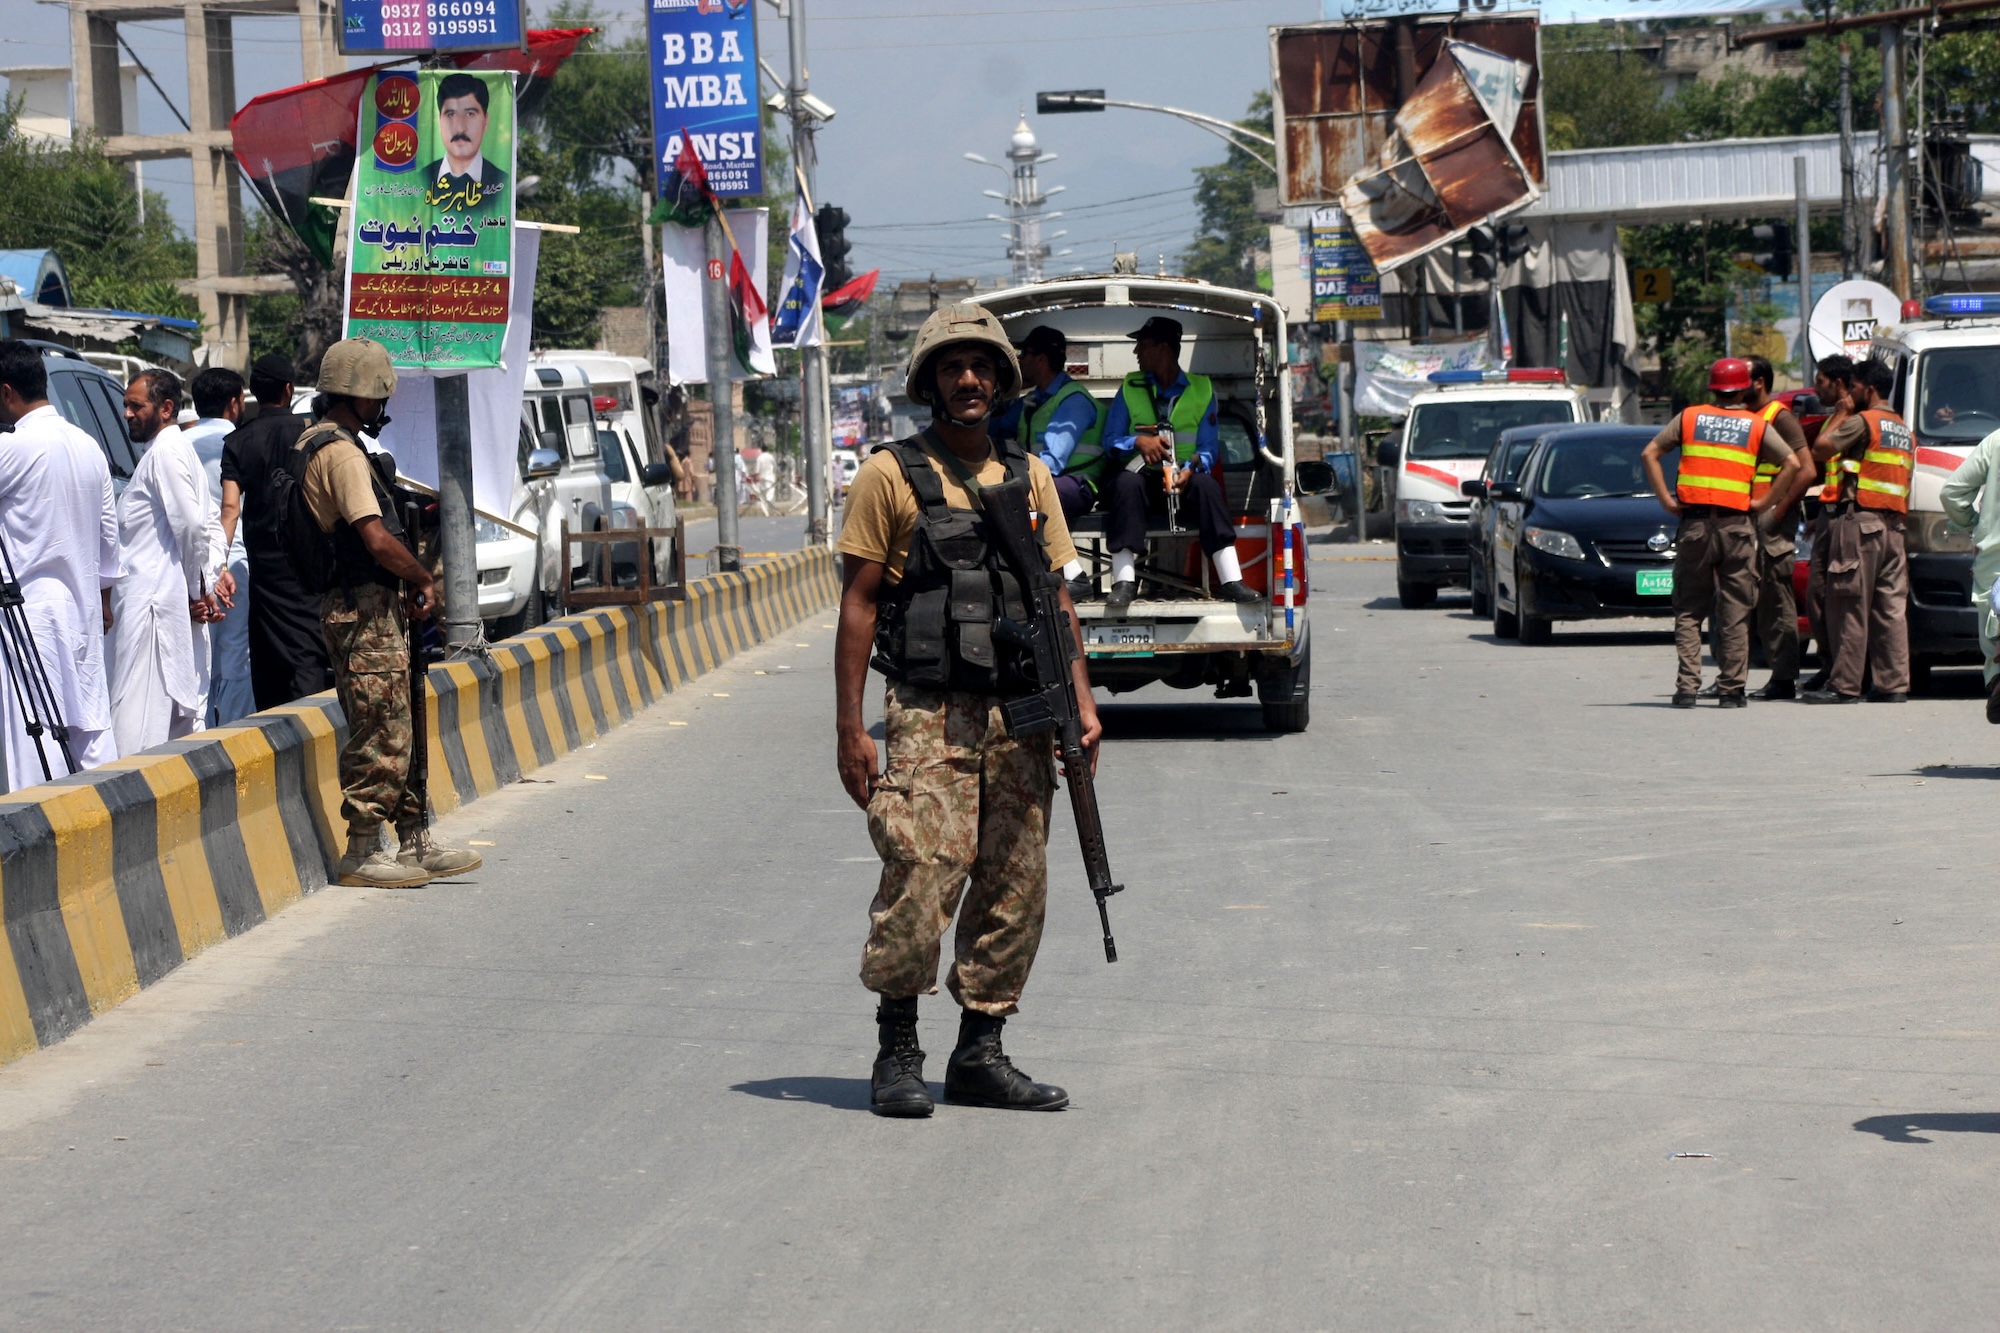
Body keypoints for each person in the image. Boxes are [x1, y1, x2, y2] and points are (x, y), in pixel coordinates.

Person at [835, 302, 1101, 1118]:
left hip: (1019, 709)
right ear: (929, 381)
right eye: (952, 367)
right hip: (927, 709)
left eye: (982, 365)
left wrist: (1081, 706)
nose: (969, 378)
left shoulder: (1030, 478)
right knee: (921, 867)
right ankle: (898, 1046)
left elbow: (1056, 597)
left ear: (1002, 380)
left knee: (1016, 880)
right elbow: (857, 605)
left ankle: (981, 1049)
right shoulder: (890, 474)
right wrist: (850, 727)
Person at [302, 338, 482, 888]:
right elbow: (375, 537)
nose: (383, 410)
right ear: (359, 398)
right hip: (362, 611)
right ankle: (360, 849)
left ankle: (413, 841)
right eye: (379, 400)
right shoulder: (340, 453)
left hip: (374, 607)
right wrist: (422, 575)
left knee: (404, 721)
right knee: (382, 727)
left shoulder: (326, 443)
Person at [1639, 356, 1807, 708]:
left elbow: (1650, 453)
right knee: (1736, 610)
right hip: (1737, 527)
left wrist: (1666, 500)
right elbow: (1792, 463)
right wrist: (1765, 503)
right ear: (1744, 388)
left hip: (1695, 525)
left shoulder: (1690, 417)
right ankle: (1732, 690)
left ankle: (1687, 688)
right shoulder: (1754, 425)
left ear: (1712, 388)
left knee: (1689, 610)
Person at [0, 341, 119, 790]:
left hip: (29, 613)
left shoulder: (14, 447)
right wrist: (104, 603)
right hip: (84, 607)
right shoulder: (88, 446)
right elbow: (110, 541)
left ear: (8, 391)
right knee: (88, 728)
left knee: (36, 733)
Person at [1098, 315, 1261, 615]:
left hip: (1180, 482)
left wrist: (1189, 469)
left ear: (1164, 349)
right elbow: (1109, 441)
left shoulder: (1202, 389)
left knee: (1208, 486)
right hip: (1141, 484)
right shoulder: (1130, 387)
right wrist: (1137, 442)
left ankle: (1231, 579)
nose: (1136, 353)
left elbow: (1208, 449)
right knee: (1125, 482)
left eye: (1142, 345)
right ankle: (1123, 582)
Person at [109, 369, 230, 754]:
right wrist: (206, 584)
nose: (127, 413)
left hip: (154, 610)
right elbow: (209, 521)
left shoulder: (166, 452)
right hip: (160, 606)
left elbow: (195, 525)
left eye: (135, 405)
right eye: (126, 405)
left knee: (139, 727)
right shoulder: (170, 451)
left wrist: (200, 590)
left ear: (165, 408)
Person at [222, 355, 334, 711]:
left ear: (253, 392)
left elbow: (230, 508)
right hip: (309, 558)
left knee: (268, 649)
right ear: (289, 389)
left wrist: (217, 566)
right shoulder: (314, 432)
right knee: (307, 645)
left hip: (264, 566)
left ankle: (274, 728)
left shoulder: (239, 441)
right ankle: (312, 725)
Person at [1803, 357, 1914, 703]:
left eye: (1853, 388)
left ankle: (1845, 685)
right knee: (1890, 609)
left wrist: (1841, 411)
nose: (1849, 393)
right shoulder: (1902, 428)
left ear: (1869, 389)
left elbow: (1820, 450)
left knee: (1848, 603)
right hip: (1894, 527)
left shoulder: (1865, 421)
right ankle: (1892, 685)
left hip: (1861, 522)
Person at [185, 366, 255, 725]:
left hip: (189, 565)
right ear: (234, 402)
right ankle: (236, 736)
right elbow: (236, 508)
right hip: (234, 561)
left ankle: (201, 737)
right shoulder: (241, 442)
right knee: (234, 656)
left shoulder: (179, 445)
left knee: (199, 656)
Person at [1741, 356, 1813, 700]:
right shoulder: (1743, 417)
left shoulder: (1779, 418)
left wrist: (1777, 509)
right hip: (1742, 520)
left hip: (1770, 523)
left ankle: (1784, 678)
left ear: (1760, 382)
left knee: (1776, 600)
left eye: (1744, 376)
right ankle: (1732, 678)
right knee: (1739, 600)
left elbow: (1806, 470)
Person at [1801, 355, 1858, 691]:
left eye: (1820, 381)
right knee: (1818, 596)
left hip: (1847, 516)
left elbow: (1822, 453)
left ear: (1837, 384)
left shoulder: (1849, 418)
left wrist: (1840, 413)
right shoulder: (1832, 419)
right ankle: (1829, 663)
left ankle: (1842, 670)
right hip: (1828, 512)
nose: (1815, 387)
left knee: (1836, 596)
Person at [1938, 417, 2000, 721]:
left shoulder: (1995, 442)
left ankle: (1998, 680)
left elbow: (1951, 492)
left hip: (1994, 571)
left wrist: (1974, 525)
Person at [420, 73, 508, 217]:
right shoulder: (419, 181)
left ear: (485, 121)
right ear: (439, 121)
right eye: (450, 114)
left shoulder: (503, 184)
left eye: (470, 114)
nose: (460, 128)